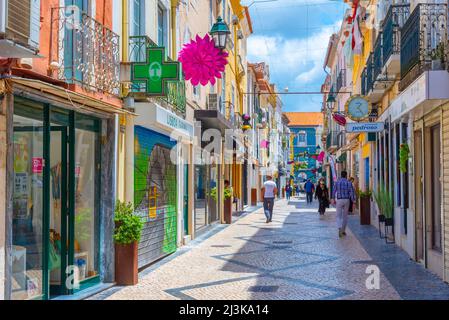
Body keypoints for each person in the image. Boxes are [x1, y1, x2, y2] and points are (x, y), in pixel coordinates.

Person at [332, 170, 356, 238]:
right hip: (346, 200)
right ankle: (343, 230)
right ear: (346, 175)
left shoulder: (337, 182)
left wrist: (333, 198)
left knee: (338, 215)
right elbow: (352, 192)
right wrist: (354, 200)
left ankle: (339, 229)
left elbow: (334, 191)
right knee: (345, 216)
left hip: (339, 200)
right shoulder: (349, 183)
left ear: (341, 175)